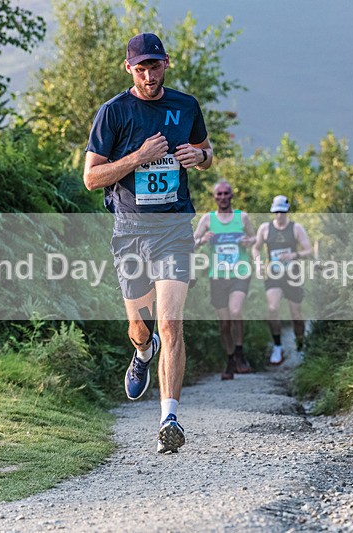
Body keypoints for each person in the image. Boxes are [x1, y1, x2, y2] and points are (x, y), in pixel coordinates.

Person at [83, 33, 213, 453]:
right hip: (131, 231)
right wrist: (137, 157)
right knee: (140, 329)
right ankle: (142, 352)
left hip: (173, 229)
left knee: (171, 322)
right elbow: (91, 178)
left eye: (154, 66)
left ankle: (169, 418)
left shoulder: (185, 105)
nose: (148, 75)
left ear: (165, 63)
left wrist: (202, 158)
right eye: (140, 68)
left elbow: (205, 149)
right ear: (129, 69)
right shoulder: (113, 113)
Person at [193, 180, 256, 380]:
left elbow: (255, 240)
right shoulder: (208, 220)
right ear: (214, 197)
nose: (222, 197)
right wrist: (202, 241)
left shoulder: (242, 218)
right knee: (224, 323)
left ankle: (240, 353)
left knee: (236, 310)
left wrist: (248, 242)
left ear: (231, 195)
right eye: (218, 194)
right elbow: (190, 244)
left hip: (240, 272)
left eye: (226, 193)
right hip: (218, 276)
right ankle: (230, 360)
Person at [251, 195, 313, 365]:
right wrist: (258, 264)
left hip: (292, 275)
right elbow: (256, 248)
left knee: (296, 314)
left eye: (282, 212)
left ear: (287, 212)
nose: (279, 215)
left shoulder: (296, 228)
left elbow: (308, 250)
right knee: (272, 308)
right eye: (276, 212)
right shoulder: (265, 228)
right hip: (273, 275)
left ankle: (301, 348)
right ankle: (278, 346)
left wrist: (294, 254)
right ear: (273, 212)